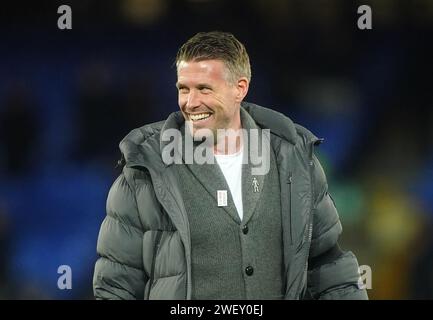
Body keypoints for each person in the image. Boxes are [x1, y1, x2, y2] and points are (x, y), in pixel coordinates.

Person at [93, 31, 368, 300]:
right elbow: (116, 286)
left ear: (240, 88)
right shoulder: (144, 173)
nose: (190, 102)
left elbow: (328, 265)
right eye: (183, 89)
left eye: (204, 89)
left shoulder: (295, 163)